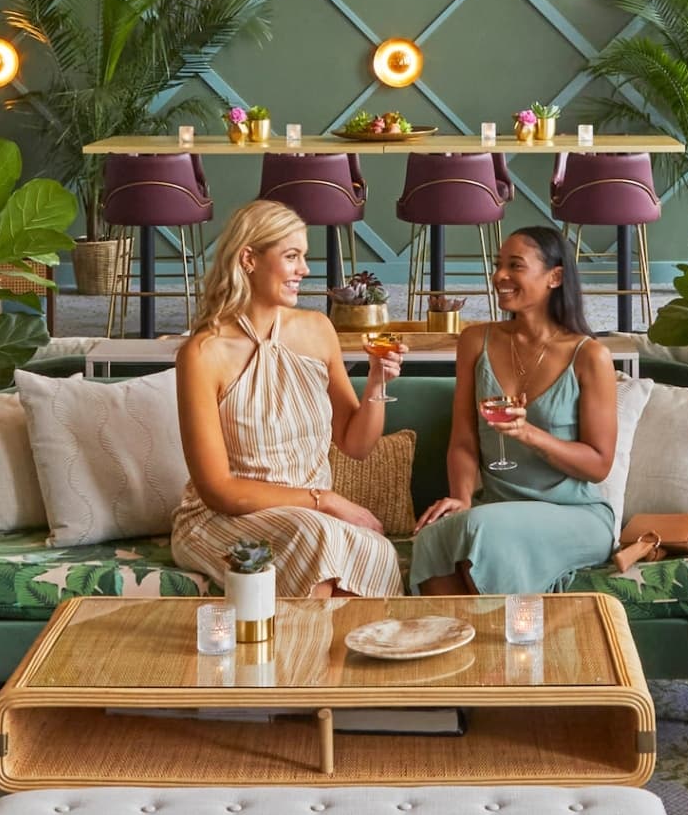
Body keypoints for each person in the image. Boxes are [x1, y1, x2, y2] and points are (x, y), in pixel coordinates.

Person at [174, 199, 406, 599]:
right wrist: (325, 500)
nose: (305, 270)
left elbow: (356, 444)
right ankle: (307, 659)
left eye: (304, 257)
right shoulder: (203, 353)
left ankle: (332, 659)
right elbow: (218, 490)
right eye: (292, 256)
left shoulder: (317, 330)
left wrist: (377, 382)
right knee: (315, 536)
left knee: (375, 549)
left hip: (314, 521)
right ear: (249, 258)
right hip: (224, 520)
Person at [412, 225, 618, 596]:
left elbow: (599, 463)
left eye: (515, 266)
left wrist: (530, 435)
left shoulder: (589, 356)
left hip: (573, 514)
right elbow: (463, 439)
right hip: (495, 506)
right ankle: (460, 648)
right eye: (498, 265)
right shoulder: (476, 341)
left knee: (482, 528)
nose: (500, 276)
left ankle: (505, 645)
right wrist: (460, 497)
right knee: (434, 534)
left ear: (555, 276)